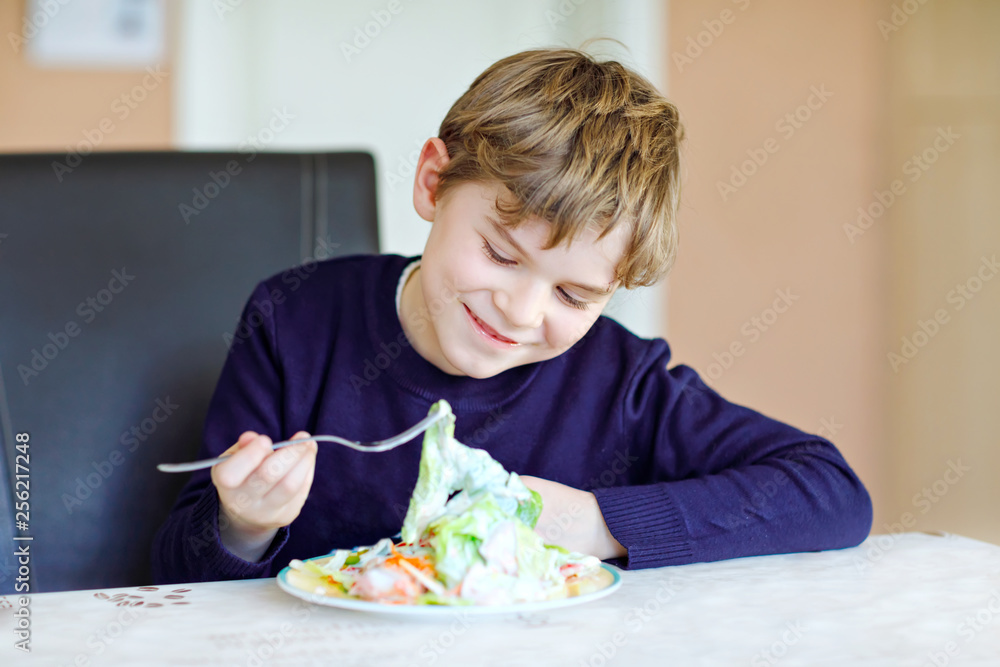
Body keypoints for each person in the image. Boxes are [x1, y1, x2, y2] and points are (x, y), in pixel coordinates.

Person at [152, 46, 872, 583]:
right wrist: (243, 524)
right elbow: (174, 573)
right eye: (499, 255)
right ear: (434, 183)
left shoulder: (618, 380)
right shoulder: (295, 319)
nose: (520, 311)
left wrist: (592, 522)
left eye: (572, 295)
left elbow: (830, 490)